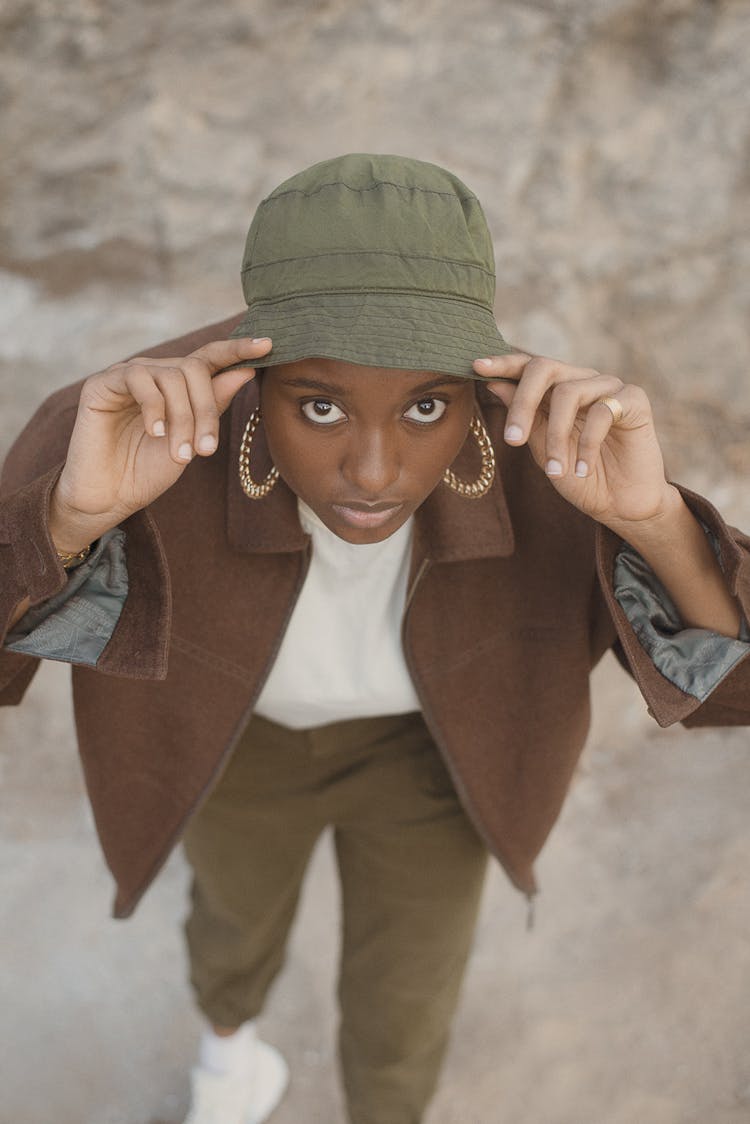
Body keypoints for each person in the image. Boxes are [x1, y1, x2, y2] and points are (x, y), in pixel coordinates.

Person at [1, 153, 749, 1124]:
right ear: (252, 372)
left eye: (428, 407)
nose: (373, 469)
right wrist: (68, 517)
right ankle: (232, 1057)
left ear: (474, 389)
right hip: (237, 745)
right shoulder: (127, 429)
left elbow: (733, 682)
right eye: (318, 405)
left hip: (434, 753)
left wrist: (652, 518)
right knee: (231, 925)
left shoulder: (549, 455)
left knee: (408, 995)